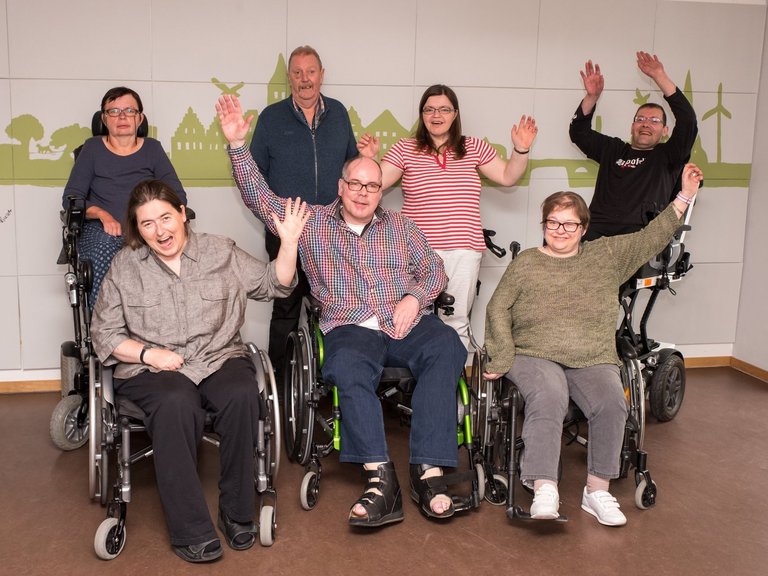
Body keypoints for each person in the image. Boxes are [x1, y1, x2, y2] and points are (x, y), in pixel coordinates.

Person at [217, 94, 467, 527]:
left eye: (372, 186)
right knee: (347, 366)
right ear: (341, 186)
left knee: (447, 345)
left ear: (381, 190)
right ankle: (379, 480)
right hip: (349, 326)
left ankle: (427, 472)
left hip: (403, 320)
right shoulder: (311, 222)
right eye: (355, 184)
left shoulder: (402, 227)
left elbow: (434, 270)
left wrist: (414, 299)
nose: (364, 193)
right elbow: (260, 198)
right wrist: (239, 148)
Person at [90, 180, 308, 562]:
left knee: (242, 394)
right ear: (137, 230)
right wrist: (147, 354)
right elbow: (104, 334)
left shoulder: (220, 251)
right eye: (146, 224)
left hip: (218, 357)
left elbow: (275, 284)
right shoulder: (126, 265)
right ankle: (190, 529)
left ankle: (237, 514)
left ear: (182, 214)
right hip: (153, 371)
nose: (160, 231)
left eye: (165, 217)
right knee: (177, 402)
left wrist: (288, 243)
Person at [483, 163, 704, 527]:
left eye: (570, 223)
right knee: (549, 396)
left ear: (583, 228)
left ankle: (597, 490)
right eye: (553, 222)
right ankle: (544, 489)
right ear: (544, 226)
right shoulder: (526, 263)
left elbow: (652, 237)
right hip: (534, 353)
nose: (561, 230)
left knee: (612, 403)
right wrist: (503, 354)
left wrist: (684, 196)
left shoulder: (606, 256)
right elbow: (497, 307)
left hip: (591, 355)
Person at [357, 84, 537, 349]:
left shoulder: (473, 146)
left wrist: (520, 150)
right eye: (429, 109)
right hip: (418, 253)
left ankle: (453, 386)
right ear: (422, 115)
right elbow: (374, 185)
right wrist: (369, 159)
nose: (436, 114)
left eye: (443, 109)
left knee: (456, 322)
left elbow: (509, 176)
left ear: (455, 114)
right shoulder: (405, 149)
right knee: (416, 321)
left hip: (464, 251)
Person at [249, 45, 358, 379]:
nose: (304, 79)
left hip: (331, 232)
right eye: (297, 72)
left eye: (311, 72)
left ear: (322, 76)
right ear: (289, 78)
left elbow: (350, 166)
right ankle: (278, 390)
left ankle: (326, 383)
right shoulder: (271, 117)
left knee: (333, 307)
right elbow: (254, 175)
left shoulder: (338, 113)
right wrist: (275, 220)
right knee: (285, 309)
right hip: (287, 234)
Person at [62, 86, 186, 308]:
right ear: (104, 118)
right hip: (103, 229)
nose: (122, 117)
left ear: (140, 118)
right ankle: (106, 327)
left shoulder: (152, 149)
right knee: (106, 247)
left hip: (146, 227)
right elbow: (72, 197)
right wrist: (102, 214)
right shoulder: (92, 149)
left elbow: (177, 193)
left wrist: (154, 220)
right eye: (114, 111)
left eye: (129, 111)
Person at [570, 52, 698, 240]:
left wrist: (660, 77)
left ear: (665, 130)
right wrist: (591, 97)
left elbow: (688, 120)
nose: (646, 123)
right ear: (632, 127)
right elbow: (578, 133)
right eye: (640, 119)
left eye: (654, 120)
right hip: (597, 234)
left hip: (640, 238)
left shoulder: (669, 154)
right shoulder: (613, 149)